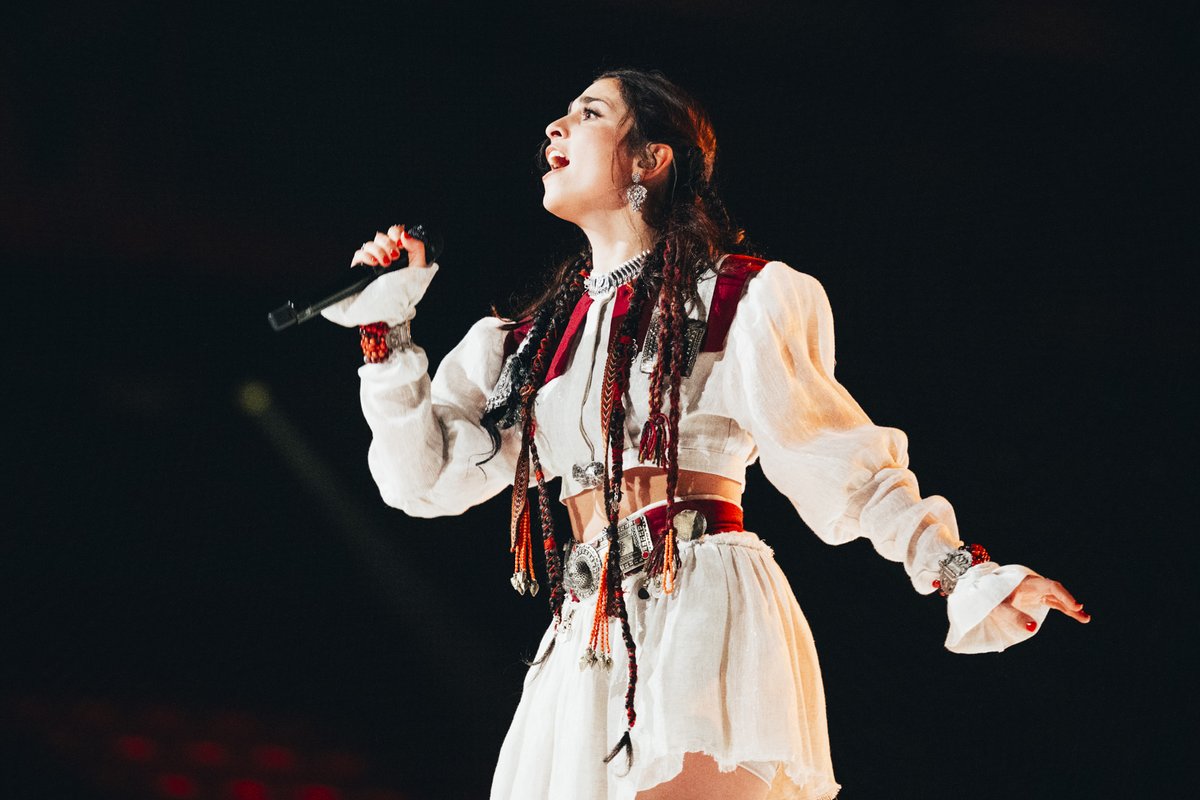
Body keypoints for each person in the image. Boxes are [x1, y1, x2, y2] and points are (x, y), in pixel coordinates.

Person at [321, 67, 1090, 800]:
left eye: (590, 113)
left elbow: (841, 465)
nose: (555, 124)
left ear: (650, 158)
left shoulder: (740, 298)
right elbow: (423, 483)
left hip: (698, 601)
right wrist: (387, 336)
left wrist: (964, 571)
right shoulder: (524, 341)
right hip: (586, 633)